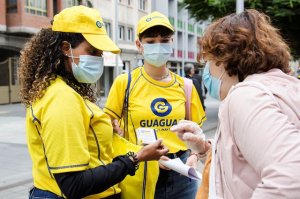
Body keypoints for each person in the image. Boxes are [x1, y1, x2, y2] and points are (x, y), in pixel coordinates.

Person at [18, 6, 169, 199]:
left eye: (100, 53)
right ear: (66, 48)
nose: (98, 59)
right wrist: (136, 158)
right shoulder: (61, 98)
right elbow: (74, 185)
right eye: (92, 51)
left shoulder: (64, 89)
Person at [171, 9, 300, 198]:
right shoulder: (286, 86)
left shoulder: (246, 97)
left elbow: (290, 175)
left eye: (209, 62)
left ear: (224, 59)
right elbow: (245, 168)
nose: (208, 72)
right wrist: (205, 149)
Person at [104, 11, 206, 199]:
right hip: (139, 170)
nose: (158, 46)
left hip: (182, 174)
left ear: (171, 43)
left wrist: (193, 156)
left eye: (164, 40)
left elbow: (196, 130)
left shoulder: (186, 86)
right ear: (139, 45)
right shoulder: (124, 83)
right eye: (151, 41)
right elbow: (105, 130)